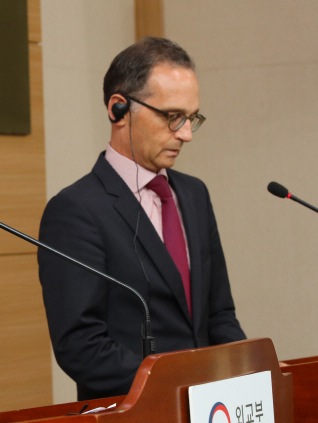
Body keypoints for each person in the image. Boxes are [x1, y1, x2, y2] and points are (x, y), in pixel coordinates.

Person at [37, 37, 246, 401]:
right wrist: (182, 388)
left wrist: (251, 373)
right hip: (137, 409)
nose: (185, 134)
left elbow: (219, 315)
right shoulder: (75, 210)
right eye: (172, 117)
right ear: (118, 109)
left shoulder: (195, 194)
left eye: (191, 118)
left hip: (213, 408)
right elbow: (81, 346)